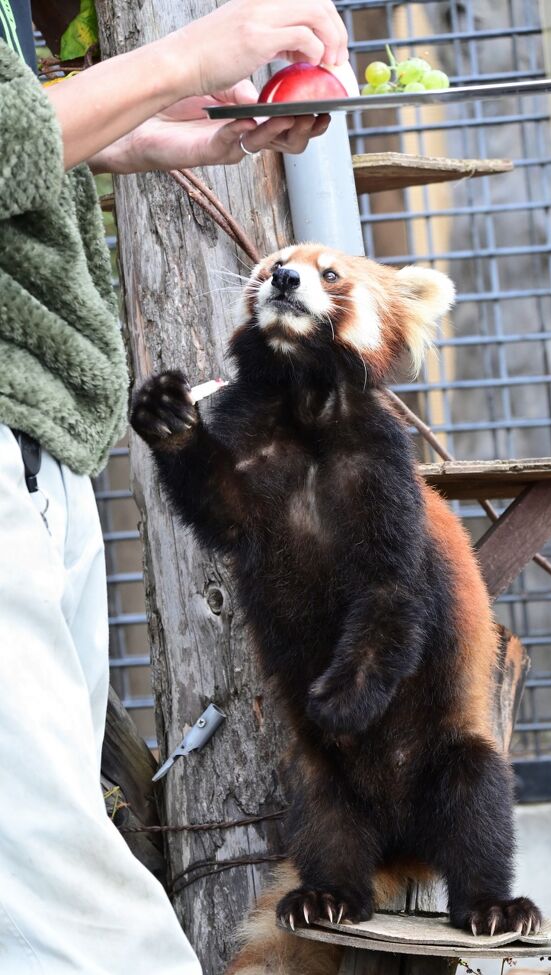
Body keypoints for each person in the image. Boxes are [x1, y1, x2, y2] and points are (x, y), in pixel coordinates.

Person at [0, 1, 348, 972]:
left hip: (44, 443)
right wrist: (179, 56)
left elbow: (15, 132)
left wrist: (135, 122)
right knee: (74, 909)